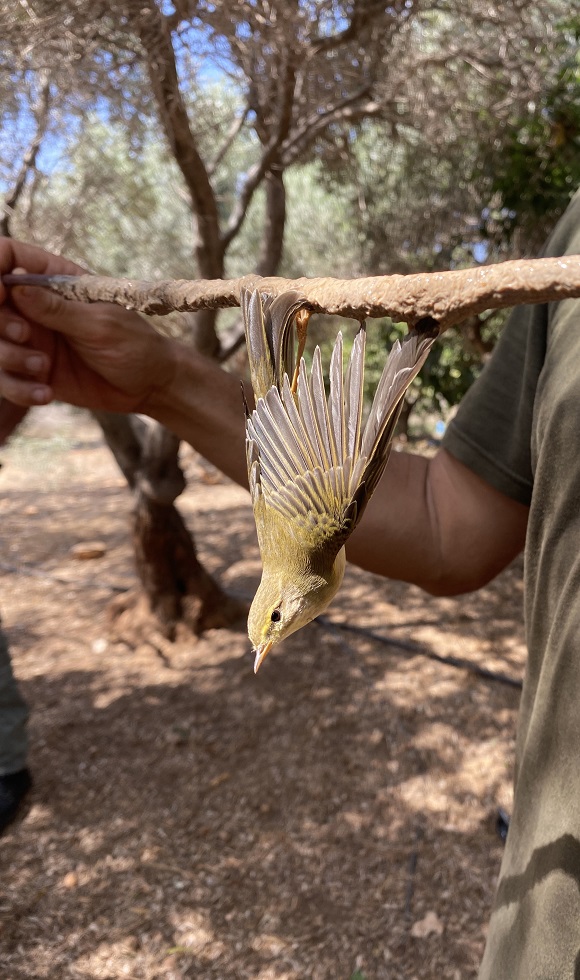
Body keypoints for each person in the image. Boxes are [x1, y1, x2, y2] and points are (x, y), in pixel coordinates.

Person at [0, 188, 578, 978]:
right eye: (267, 630)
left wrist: (396, 364)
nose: (269, 639)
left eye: (269, 626)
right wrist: (161, 378)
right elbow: (447, 525)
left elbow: (338, 467)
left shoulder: (304, 557)